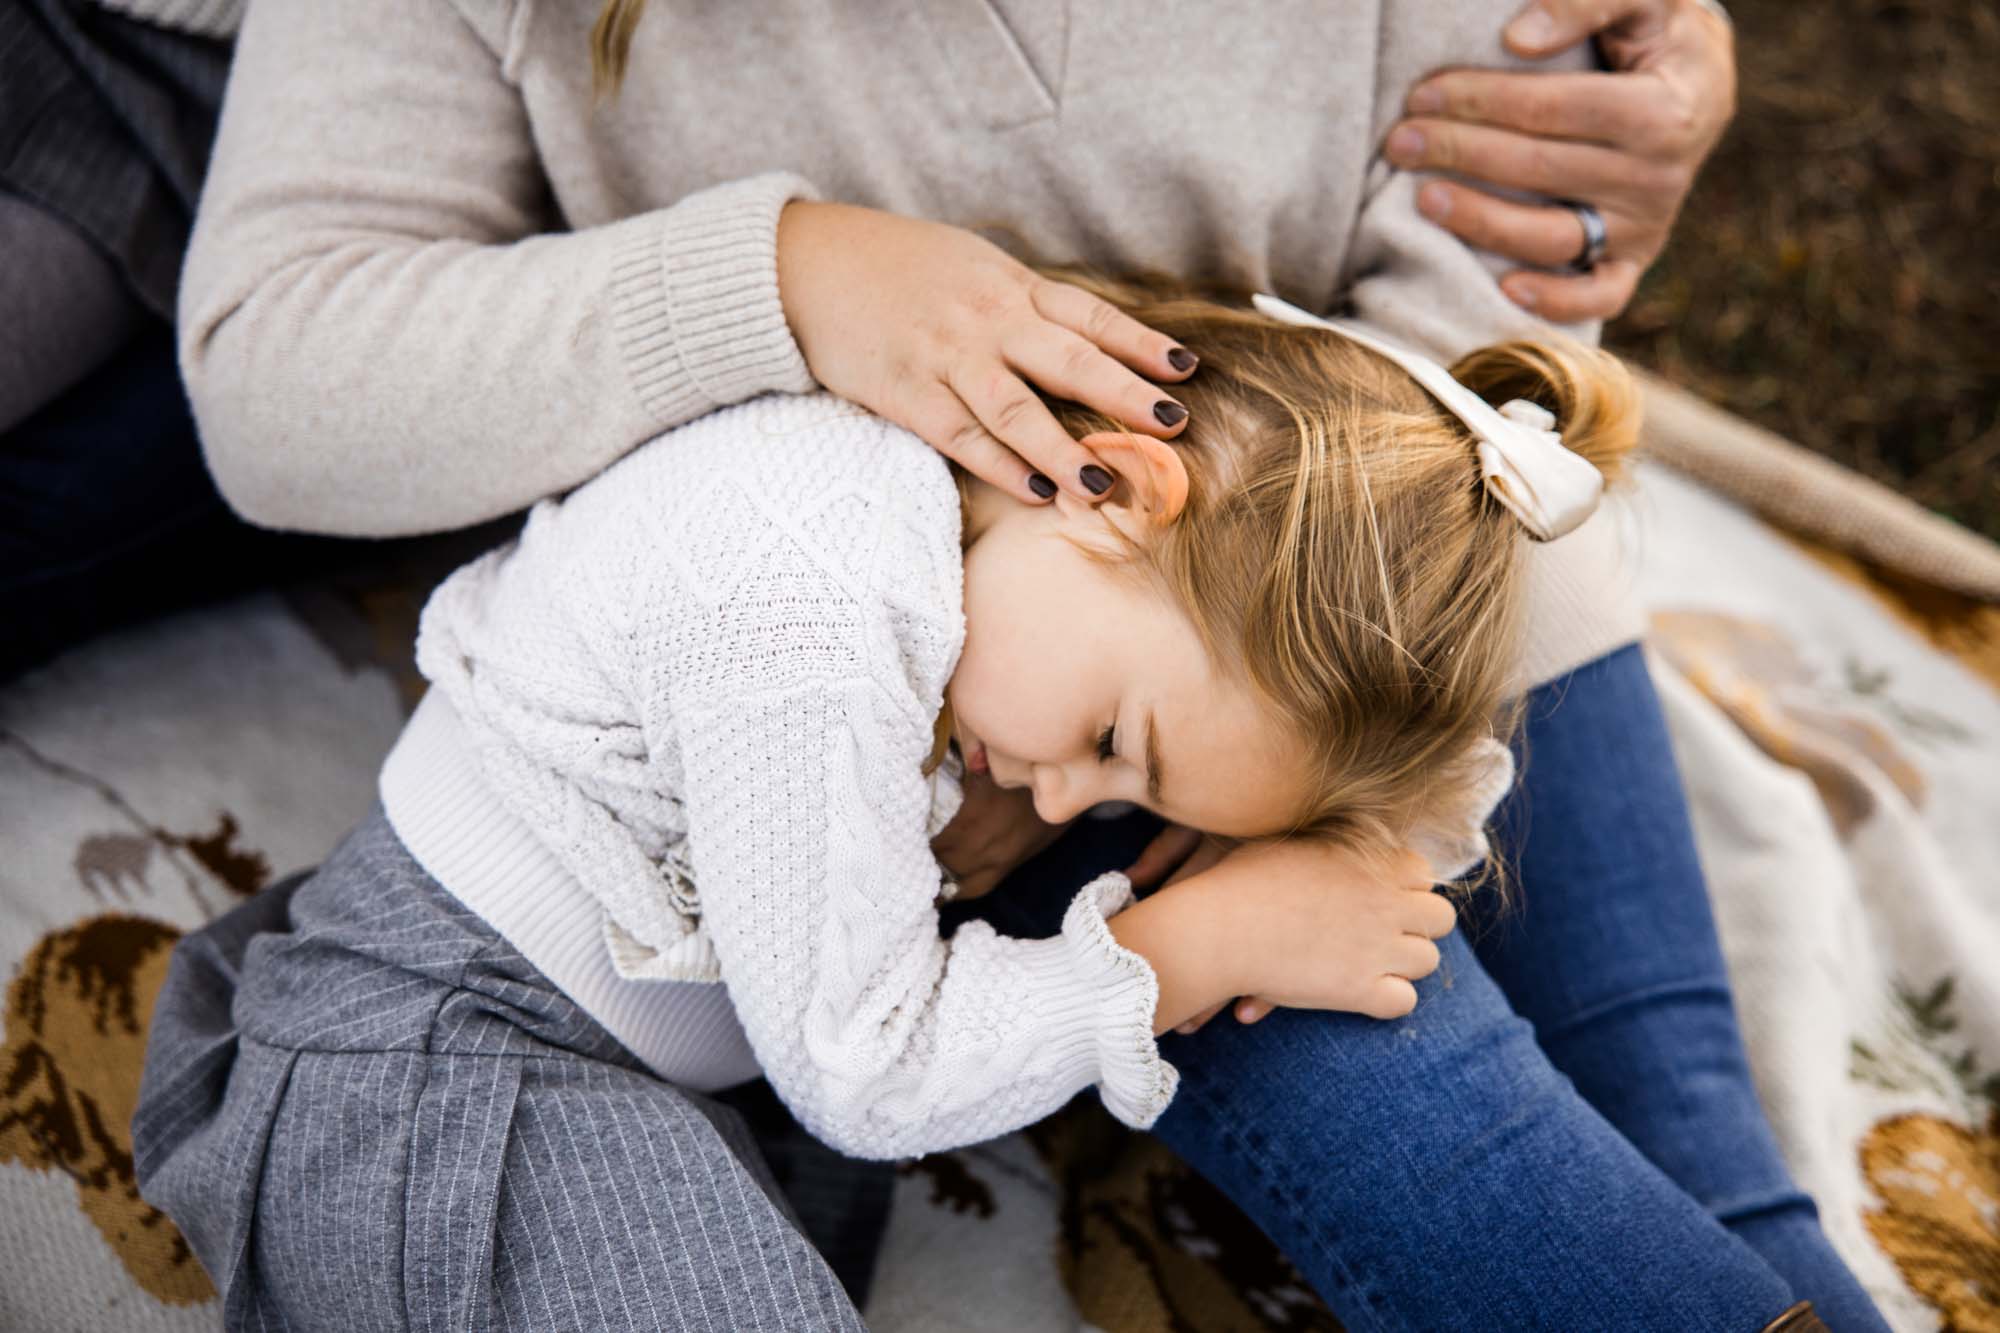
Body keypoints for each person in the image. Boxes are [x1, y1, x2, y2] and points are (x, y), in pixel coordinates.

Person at [138, 0, 1885, 1325]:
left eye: (1105, 767)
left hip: (1326, 593)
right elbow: (281, 364)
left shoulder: (1089, 669)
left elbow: (1483, 251)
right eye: (1101, 753)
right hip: (1048, 633)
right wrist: (781, 277)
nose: (1061, 797)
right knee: (1406, 1076)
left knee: (1698, 1154)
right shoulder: (824, 597)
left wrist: (1342, 687)